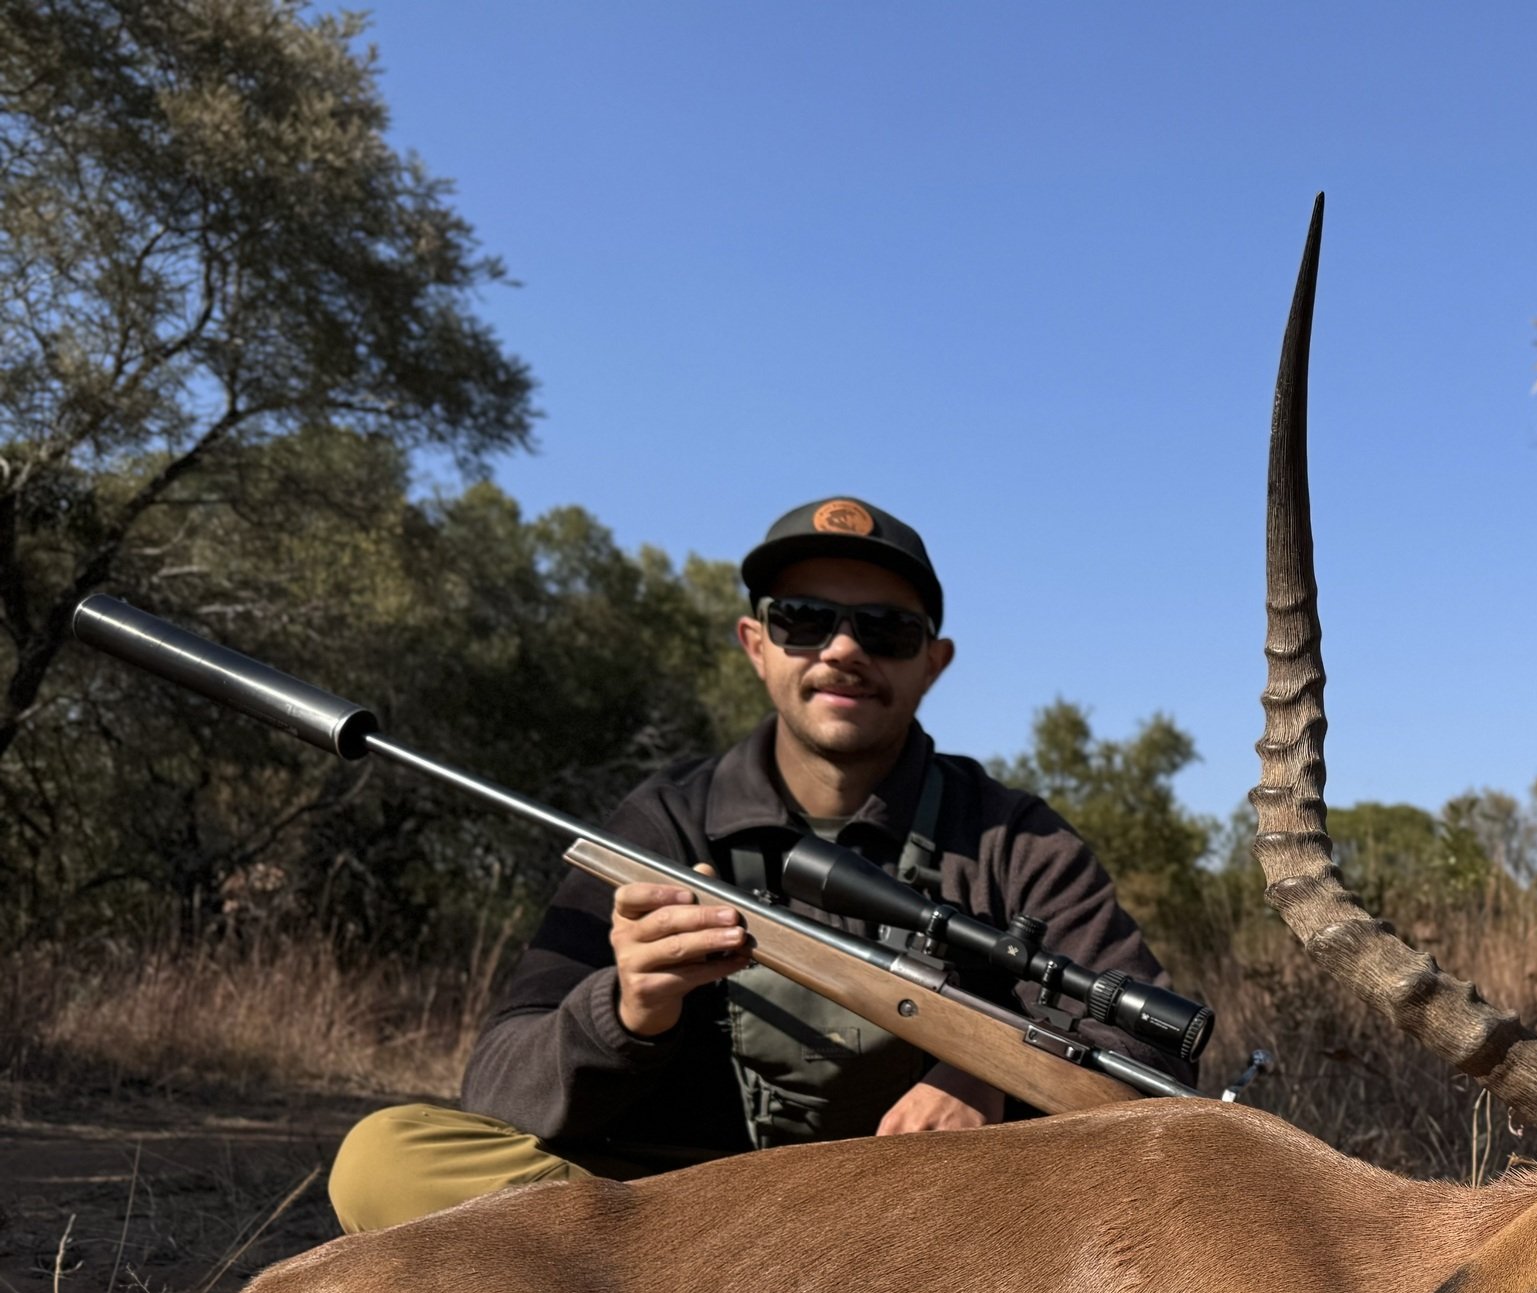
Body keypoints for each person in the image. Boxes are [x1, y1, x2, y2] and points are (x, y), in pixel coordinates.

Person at [328, 497, 1184, 1232]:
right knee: (385, 1160)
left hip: (924, 1237)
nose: (843, 650)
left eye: (885, 630)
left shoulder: (1015, 840)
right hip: (675, 1225)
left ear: (933, 662)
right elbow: (499, 1083)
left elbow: (1155, 1056)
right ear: (756, 643)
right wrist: (623, 1011)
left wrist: (984, 1081)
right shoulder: (660, 823)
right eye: (804, 621)